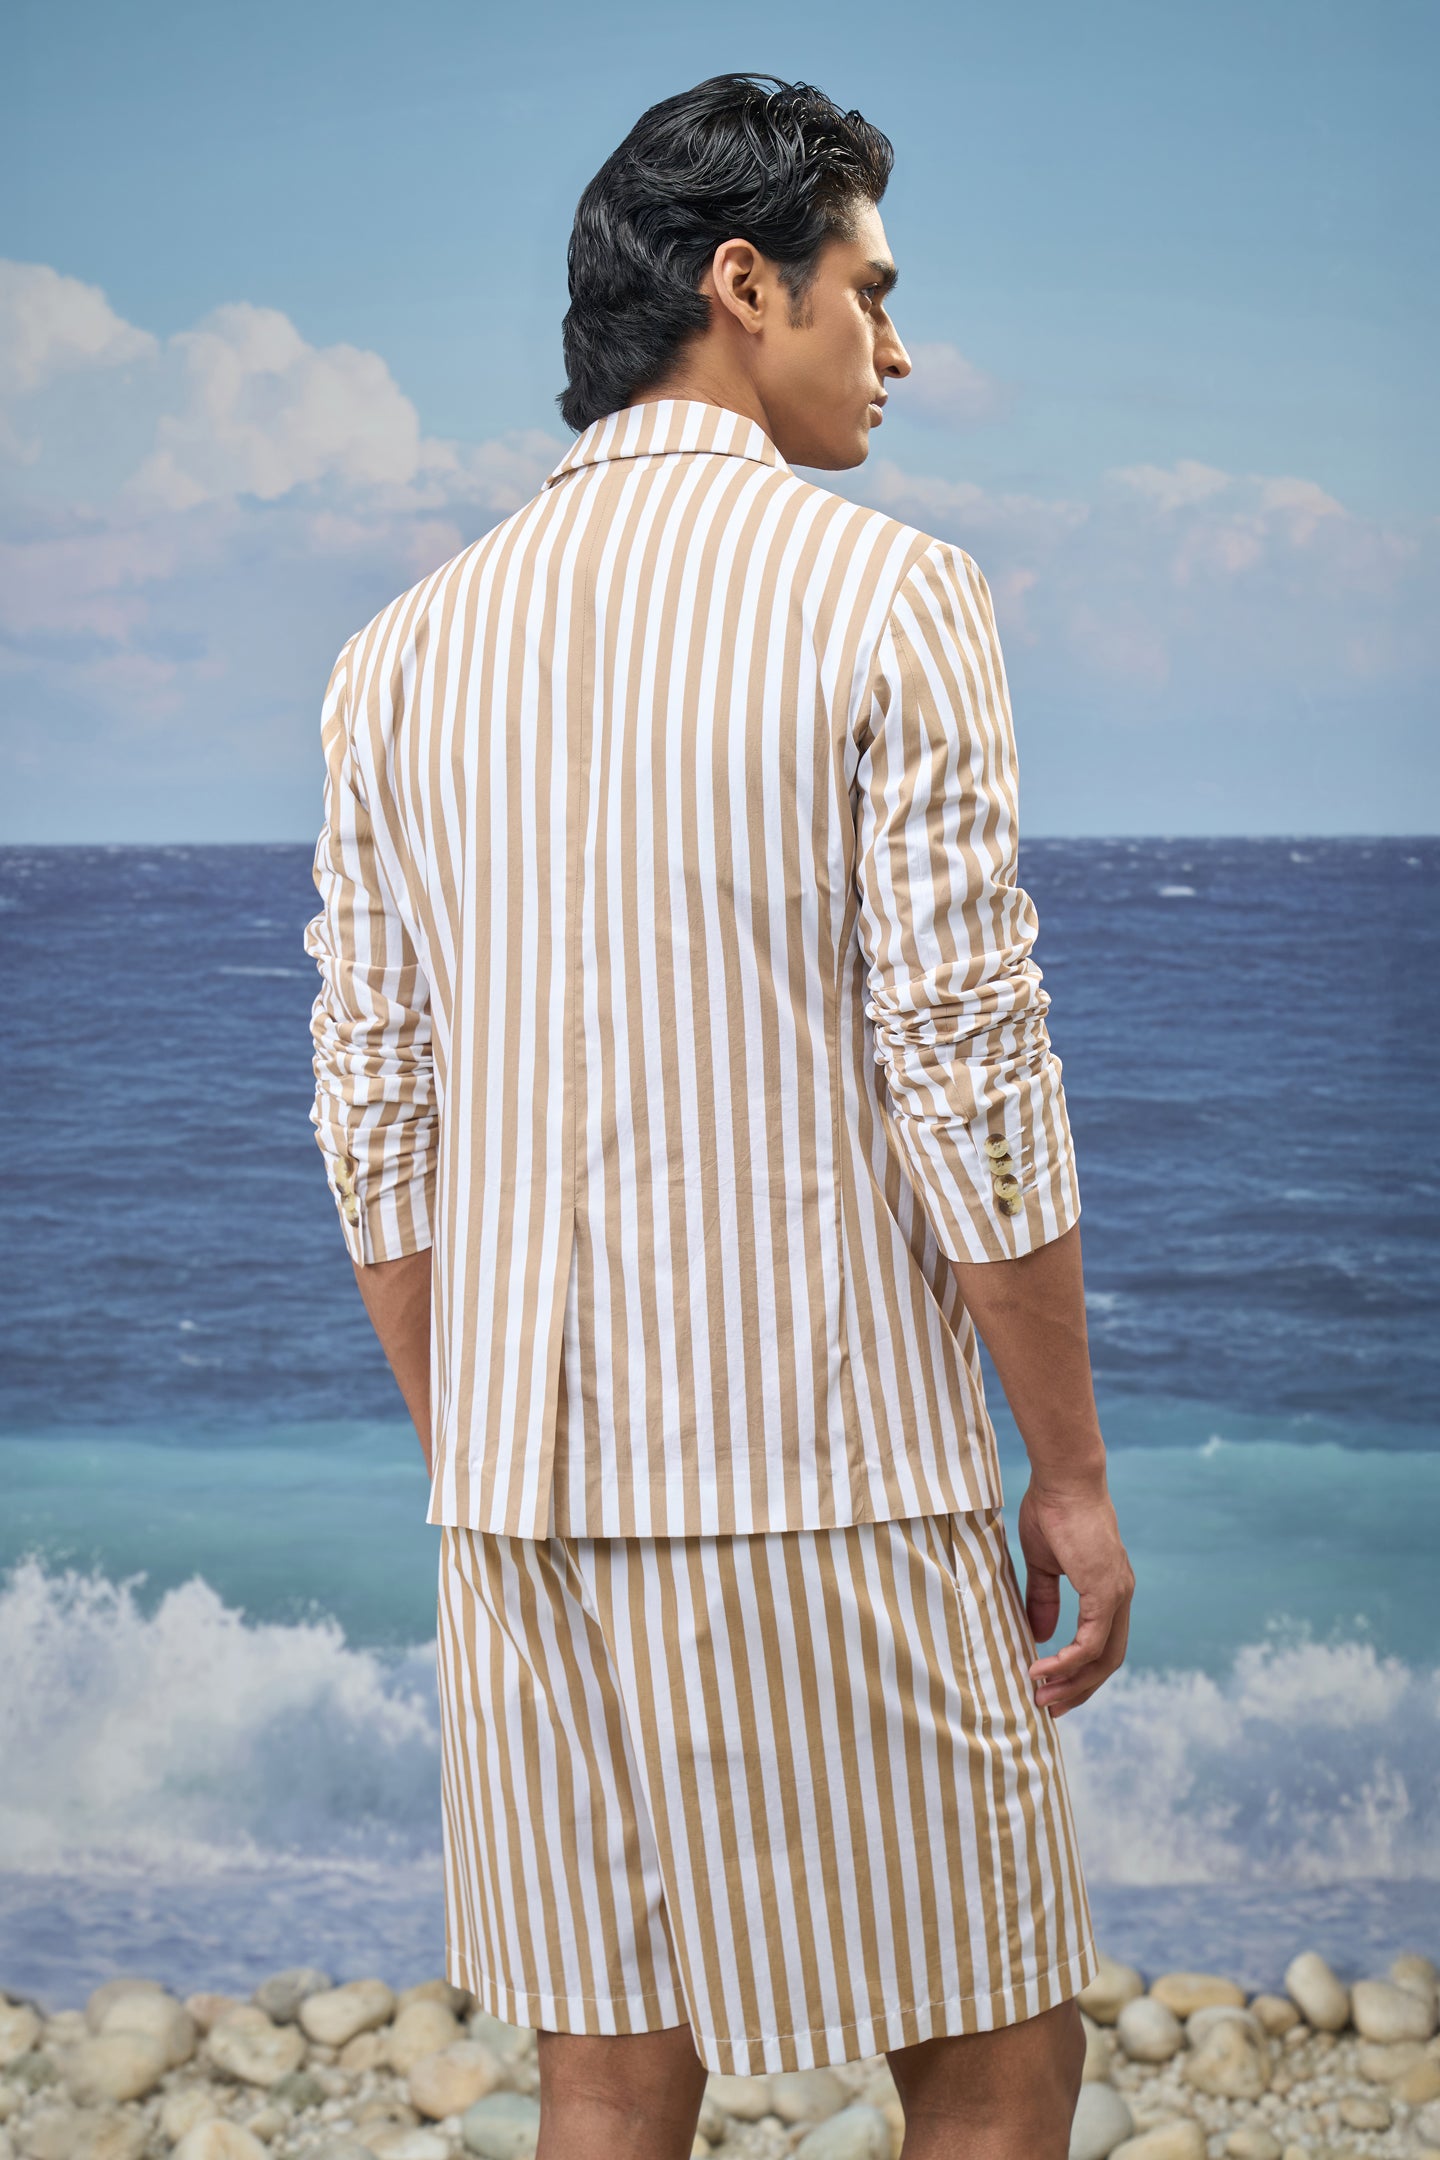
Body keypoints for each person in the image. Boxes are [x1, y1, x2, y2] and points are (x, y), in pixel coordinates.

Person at [304, 70, 1134, 2160]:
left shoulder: (394, 655)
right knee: (997, 2054)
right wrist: (1068, 1469)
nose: (899, 349)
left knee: (610, 2069)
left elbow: (375, 1108)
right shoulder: (890, 592)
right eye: (873, 290)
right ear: (745, 285)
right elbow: (971, 1058)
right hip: (830, 1472)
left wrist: (475, 1443)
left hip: (518, 1503)